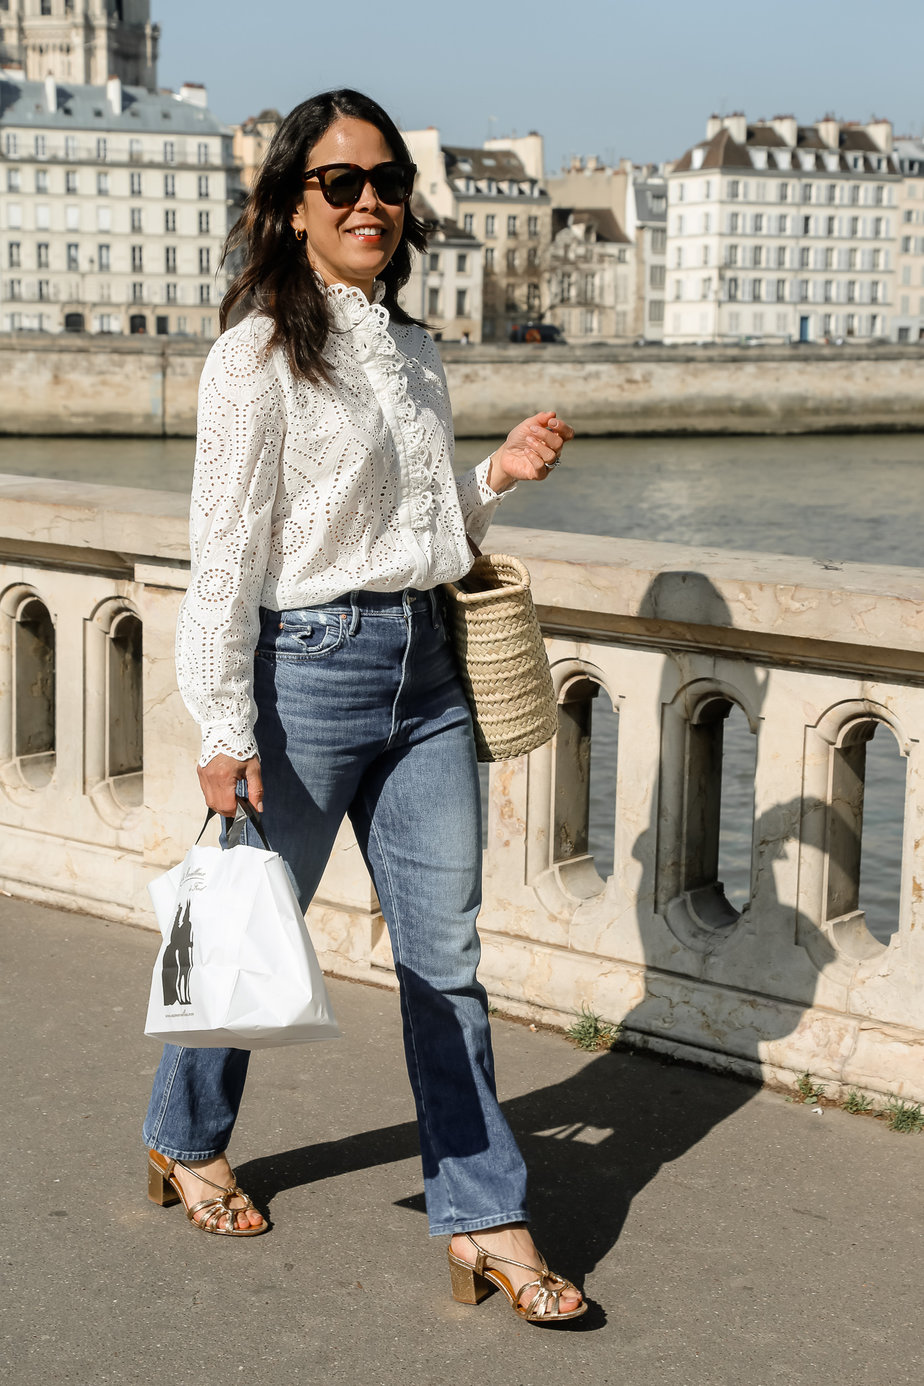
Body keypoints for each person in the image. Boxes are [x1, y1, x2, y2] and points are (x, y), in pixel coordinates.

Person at [143, 88, 585, 1324]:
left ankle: (485, 1215)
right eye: (340, 182)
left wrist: (492, 476)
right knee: (249, 927)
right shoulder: (254, 359)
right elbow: (224, 557)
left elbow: (415, 526)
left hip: (426, 670)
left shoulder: (416, 351)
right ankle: (186, 1136)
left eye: (387, 180)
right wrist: (224, 726)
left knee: (447, 961)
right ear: (293, 205)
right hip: (306, 674)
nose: (370, 201)